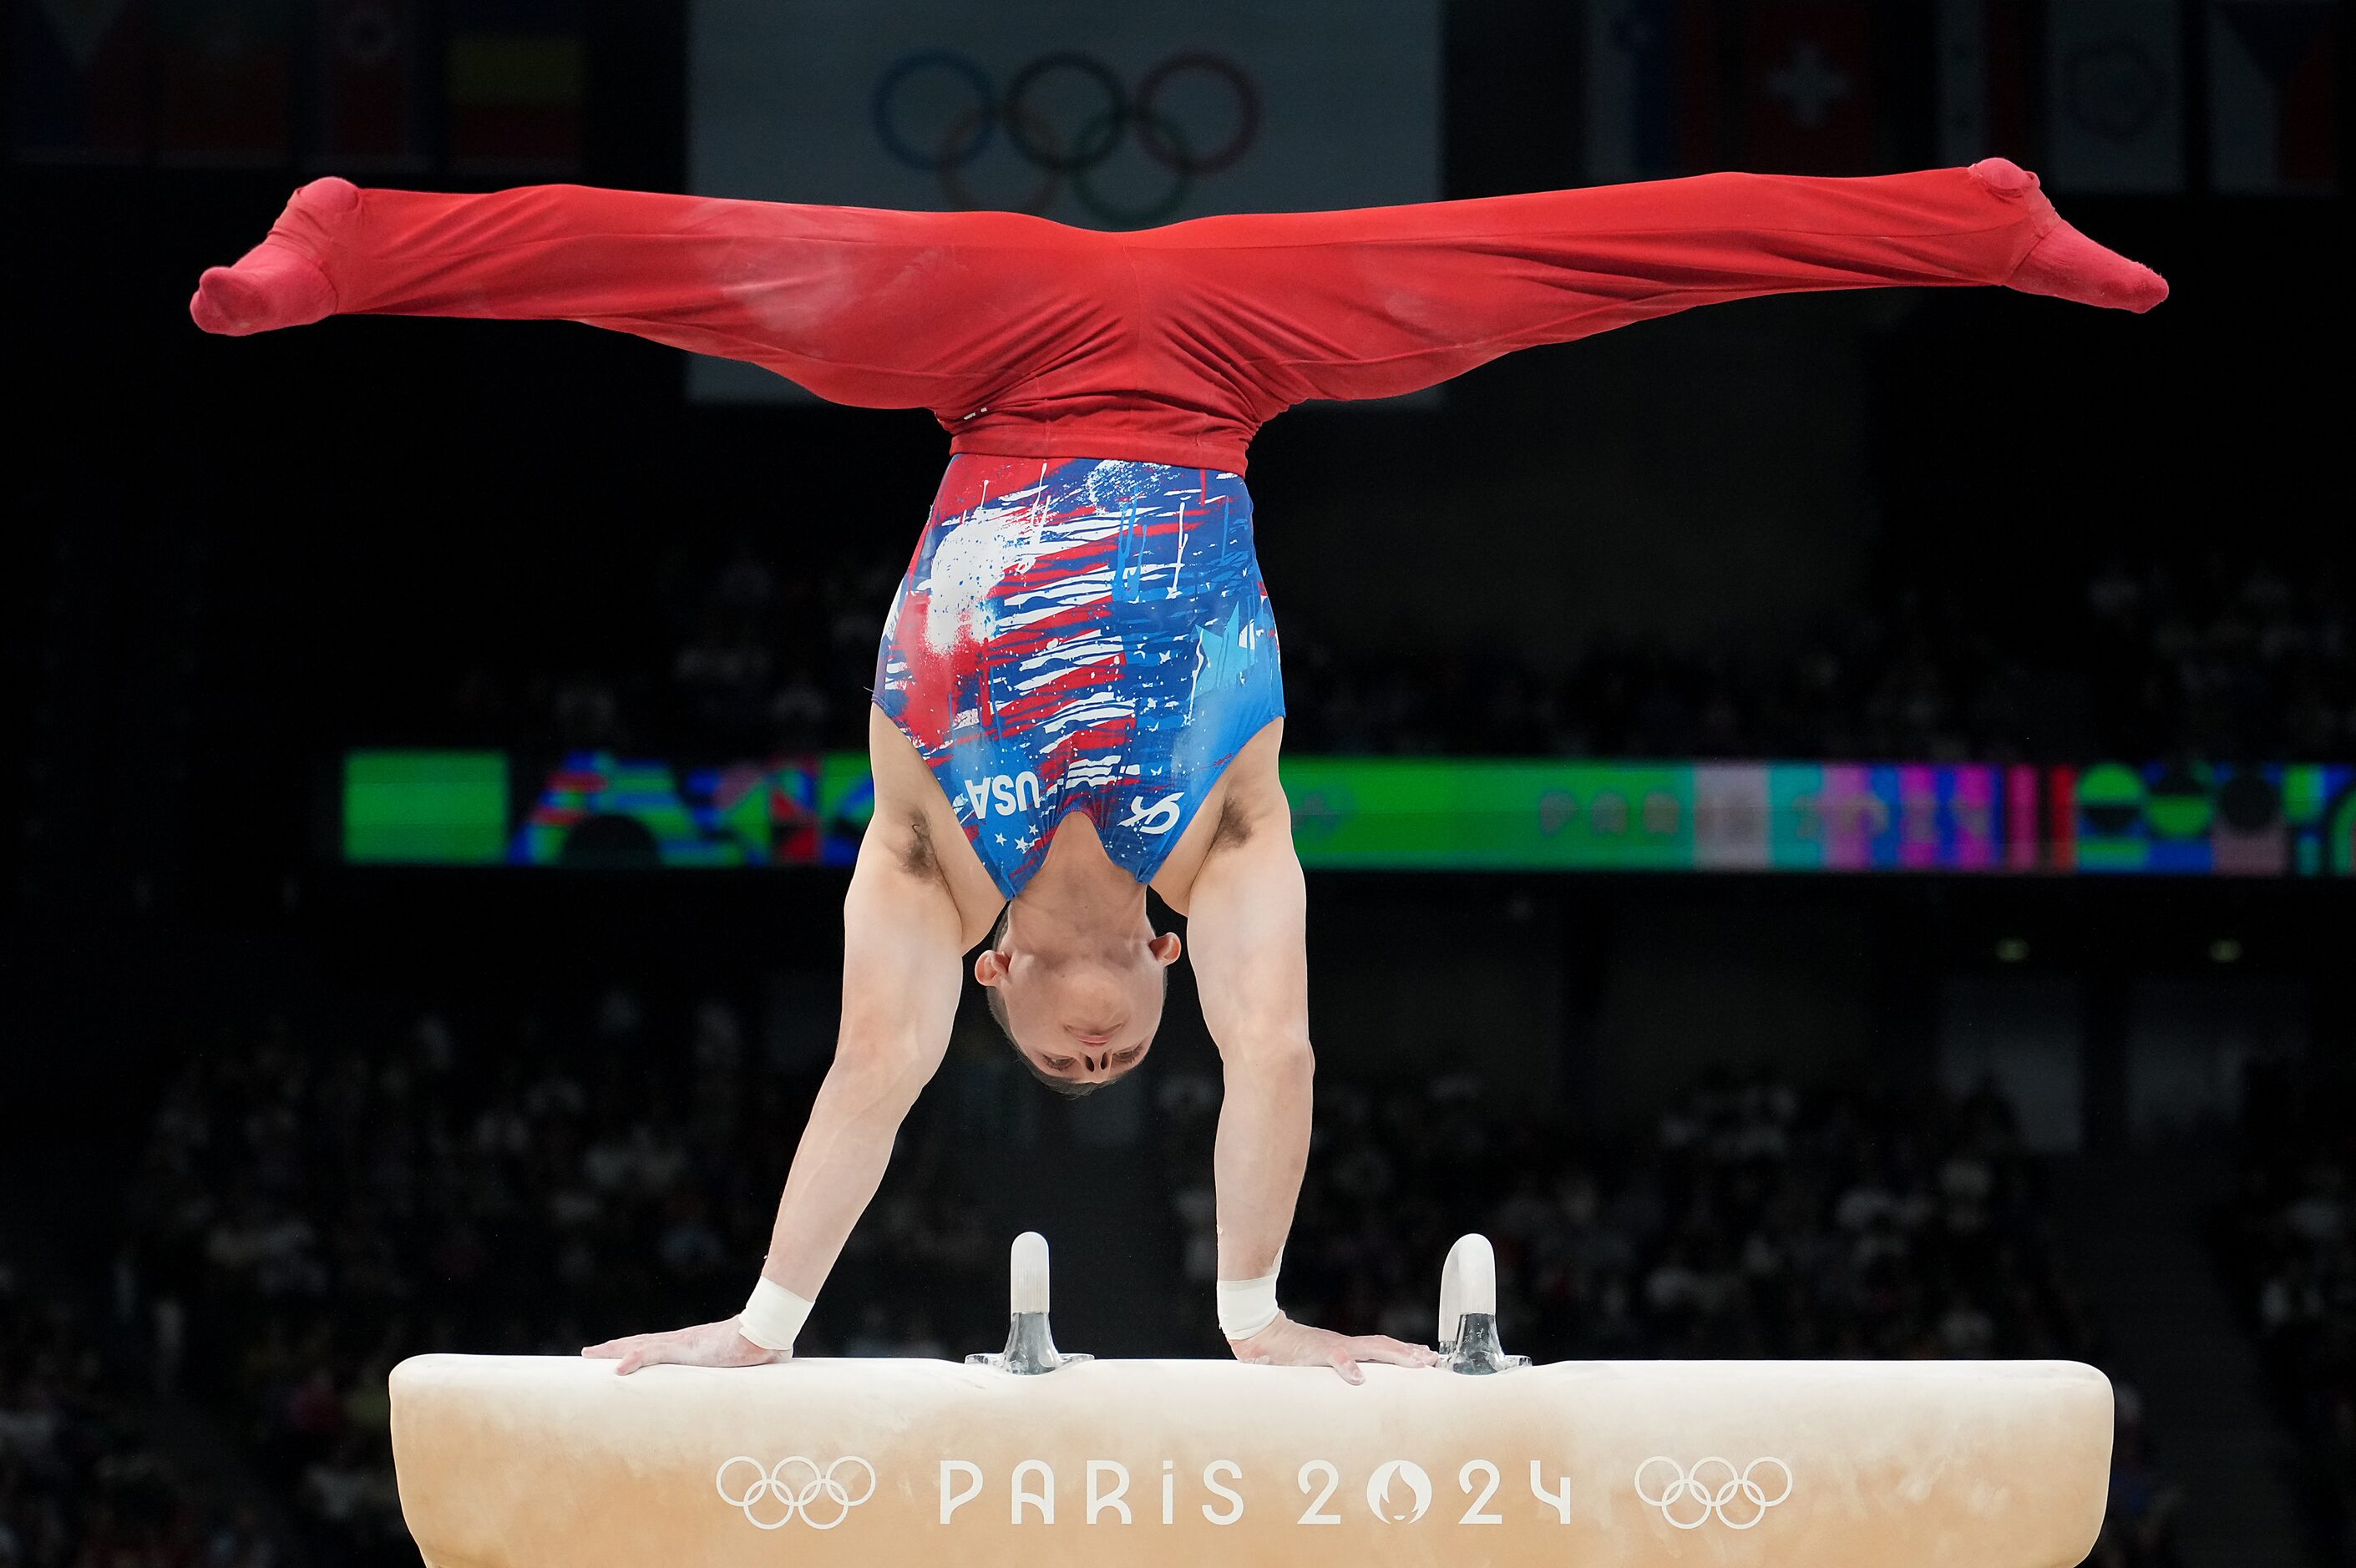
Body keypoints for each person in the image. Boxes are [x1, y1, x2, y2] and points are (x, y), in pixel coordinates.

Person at [190, 159, 2164, 1381]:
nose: (1091, 1067)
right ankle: (1975, 219)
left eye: (1053, 1063)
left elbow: (868, 1080)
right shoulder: (1231, 848)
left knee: (709, 263)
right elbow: (1280, 1059)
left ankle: (1979, 219)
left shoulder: (913, 868)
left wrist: (766, 1322)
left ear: (998, 992)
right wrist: (1249, 1311)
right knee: (1563, 266)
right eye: (1112, 1063)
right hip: (1225, 360)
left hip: (985, 355)